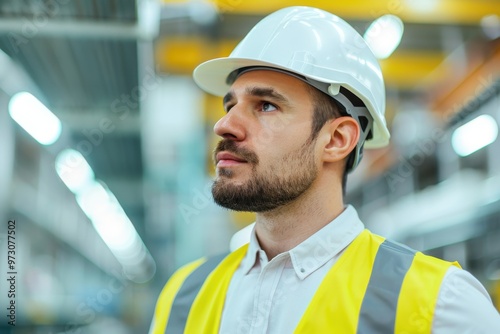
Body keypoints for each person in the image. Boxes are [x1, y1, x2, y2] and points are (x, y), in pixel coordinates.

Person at [149, 6, 500, 333]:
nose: (225, 125)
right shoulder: (182, 295)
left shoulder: (444, 306)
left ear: (336, 140)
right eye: (231, 104)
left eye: (266, 105)